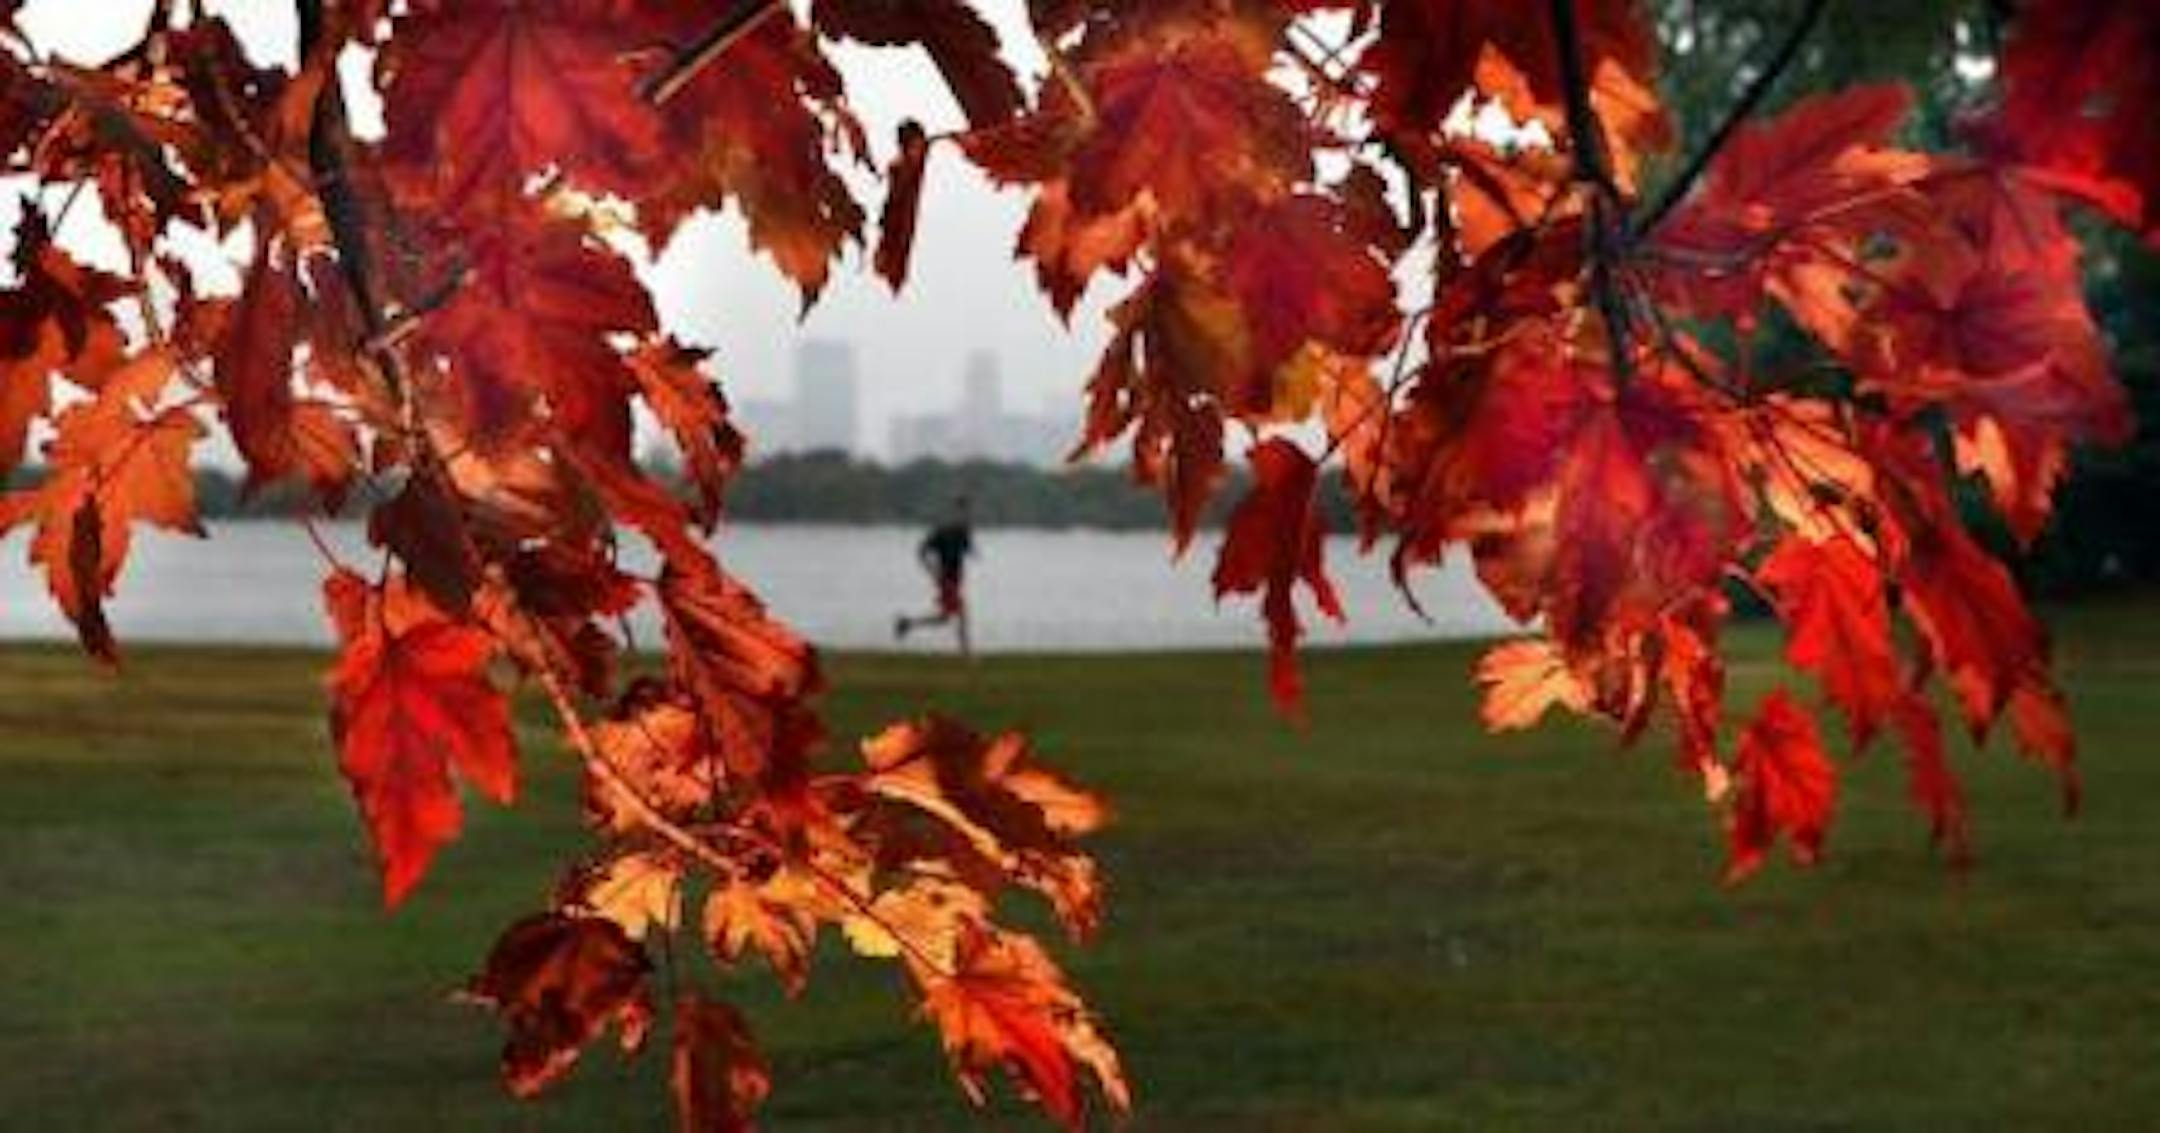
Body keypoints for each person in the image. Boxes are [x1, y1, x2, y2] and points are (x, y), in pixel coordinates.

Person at [894, 496, 975, 657]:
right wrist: (932, 571)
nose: (964, 516)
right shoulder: (941, 532)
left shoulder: (964, 533)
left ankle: (907, 623)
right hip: (945, 579)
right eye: (961, 512)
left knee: (944, 618)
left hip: (956, 579)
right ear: (953, 512)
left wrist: (972, 551)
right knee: (962, 612)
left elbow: (966, 550)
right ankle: (966, 654)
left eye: (966, 513)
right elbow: (921, 551)